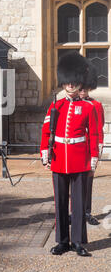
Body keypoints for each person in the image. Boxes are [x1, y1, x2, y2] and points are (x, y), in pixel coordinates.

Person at [40, 52, 99, 257]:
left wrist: (93, 158)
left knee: (79, 203)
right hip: (59, 158)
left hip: (79, 159)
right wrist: (45, 153)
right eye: (68, 82)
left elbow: (92, 134)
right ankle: (62, 241)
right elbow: (47, 131)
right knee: (61, 202)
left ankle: (78, 241)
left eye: (74, 82)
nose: (71, 85)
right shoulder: (56, 106)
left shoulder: (87, 108)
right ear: (64, 82)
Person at [79, 60, 105, 226]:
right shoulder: (69, 105)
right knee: (73, 184)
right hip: (75, 149)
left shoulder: (96, 105)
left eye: (84, 89)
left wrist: (98, 149)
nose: (82, 92)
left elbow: (99, 129)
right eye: (80, 89)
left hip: (89, 150)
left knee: (88, 182)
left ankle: (86, 212)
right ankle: (75, 212)